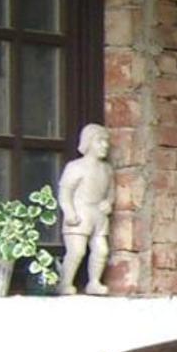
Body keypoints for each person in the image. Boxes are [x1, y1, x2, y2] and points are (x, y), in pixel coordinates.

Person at [59, 123, 113, 295]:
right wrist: (69, 211)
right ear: (88, 142)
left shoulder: (106, 169)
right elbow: (65, 192)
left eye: (106, 141)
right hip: (80, 212)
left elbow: (111, 191)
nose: (105, 145)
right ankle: (65, 282)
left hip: (98, 213)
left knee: (102, 250)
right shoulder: (75, 167)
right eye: (100, 141)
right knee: (77, 251)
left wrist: (108, 202)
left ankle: (94, 282)